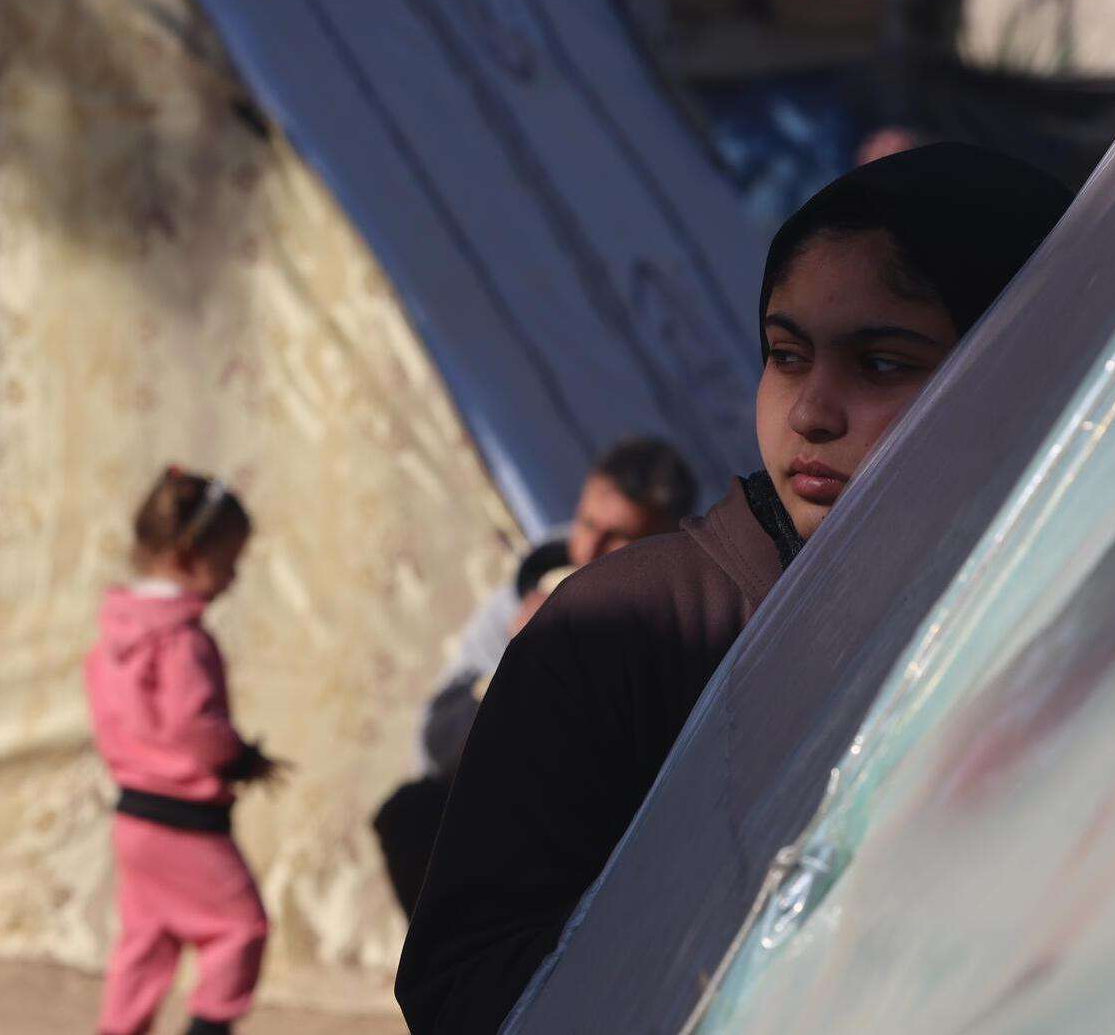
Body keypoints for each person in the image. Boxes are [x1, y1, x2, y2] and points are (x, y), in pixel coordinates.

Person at [395, 143, 1074, 1033]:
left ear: (1015, 368)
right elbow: (464, 982)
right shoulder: (622, 629)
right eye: (787, 354)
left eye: (880, 364)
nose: (809, 412)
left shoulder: (1072, 604)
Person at [372, 438, 697, 917]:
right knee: (411, 816)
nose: (591, 547)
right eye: (587, 524)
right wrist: (517, 660)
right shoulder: (529, 590)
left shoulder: (683, 614)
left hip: (616, 820)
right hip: (515, 806)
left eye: (618, 536)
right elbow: (437, 741)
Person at [86, 468, 286, 1035]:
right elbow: (193, 722)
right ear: (188, 554)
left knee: (147, 938)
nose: (233, 577)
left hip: (135, 814)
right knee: (239, 927)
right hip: (186, 817)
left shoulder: (116, 635)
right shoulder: (182, 640)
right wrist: (239, 758)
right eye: (229, 562)